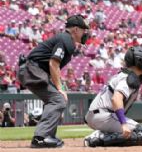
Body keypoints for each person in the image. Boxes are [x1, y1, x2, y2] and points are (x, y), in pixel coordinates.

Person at [17, 15, 90, 148]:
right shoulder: (66, 39)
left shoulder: (66, 39)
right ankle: (41, 137)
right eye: (83, 30)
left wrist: (58, 86)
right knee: (58, 99)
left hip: (32, 70)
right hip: (32, 70)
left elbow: (52, 66)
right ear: (75, 29)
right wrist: (60, 88)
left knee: (55, 99)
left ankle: (48, 135)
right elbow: (53, 64)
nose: (85, 33)